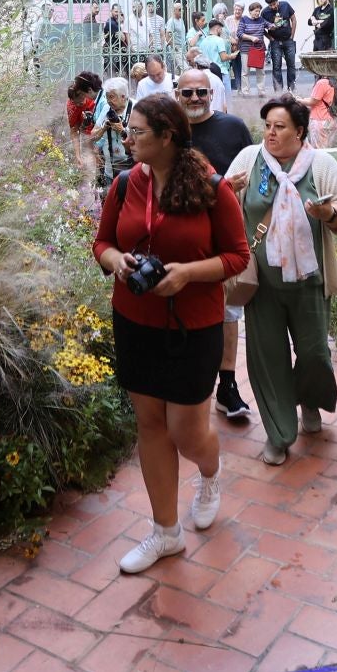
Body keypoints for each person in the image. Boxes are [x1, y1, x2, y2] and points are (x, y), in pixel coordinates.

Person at [92, 95, 251, 574]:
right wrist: (117, 261)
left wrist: (186, 274)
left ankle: (209, 470)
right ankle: (165, 532)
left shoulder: (210, 187)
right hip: (135, 321)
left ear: (167, 136)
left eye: (137, 131)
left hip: (193, 327)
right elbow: (102, 242)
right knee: (150, 425)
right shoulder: (123, 184)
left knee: (185, 431)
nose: (127, 137)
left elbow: (238, 256)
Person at [223, 96, 337, 465]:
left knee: (314, 354)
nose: (270, 132)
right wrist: (227, 194)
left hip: (309, 283)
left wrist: (328, 212)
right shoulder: (250, 160)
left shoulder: (321, 165)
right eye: (267, 125)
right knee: (268, 359)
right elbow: (219, 201)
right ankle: (279, 433)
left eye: (278, 127)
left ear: (299, 131)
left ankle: (309, 400)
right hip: (261, 284)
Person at [176, 67, 256, 421]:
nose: (195, 99)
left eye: (201, 93)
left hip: (223, 233)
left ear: (212, 94)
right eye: (188, 93)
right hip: (180, 234)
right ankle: (188, 384)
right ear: (177, 95)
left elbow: (256, 167)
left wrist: (236, 191)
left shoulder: (233, 127)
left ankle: (227, 385)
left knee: (228, 312)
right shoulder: (170, 133)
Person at [88, 78, 135, 185]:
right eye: (107, 97)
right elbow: (93, 136)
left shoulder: (136, 108)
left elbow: (143, 139)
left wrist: (122, 130)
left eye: (112, 97)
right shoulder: (106, 108)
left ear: (123, 97)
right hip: (110, 169)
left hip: (131, 168)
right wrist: (104, 127)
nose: (109, 101)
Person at [263, 0, 298, 92]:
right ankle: (278, 90)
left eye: (274, 4)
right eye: (270, 5)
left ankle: (291, 88)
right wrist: (270, 38)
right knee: (276, 66)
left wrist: (292, 36)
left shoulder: (285, 5)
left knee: (291, 65)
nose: (273, 7)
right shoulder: (265, 12)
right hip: (275, 42)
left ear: (277, 1)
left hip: (288, 40)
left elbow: (294, 19)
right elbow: (261, 27)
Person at [239, 2, 269, 96]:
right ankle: (246, 92)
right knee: (245, 72)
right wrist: (251, 38)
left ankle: (261, 92)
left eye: (259, 11)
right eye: (256, 11)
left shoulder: (261, 20)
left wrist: (276, 24)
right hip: (246, 50)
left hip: (259, 49)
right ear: (250, 11)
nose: (257, 13)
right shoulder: (244, 19)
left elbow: (270, 26)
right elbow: (239, 33)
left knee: (261, 71)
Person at [307, 75, 337, 150]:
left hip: (319, 120)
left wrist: (298, 100)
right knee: (328, 149)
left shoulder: (321, 83)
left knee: (319, 152)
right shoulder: (334, 82)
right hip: (331, 120)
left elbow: (313, 101)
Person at [103, 5, 131, 77]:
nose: (117, 14)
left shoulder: (114, 22)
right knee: (112, 74)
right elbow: (123, 38)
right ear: (111, 11)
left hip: (115, 51)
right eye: (115, 11)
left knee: (115, 73)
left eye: (119, 12)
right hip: (112, 52)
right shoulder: (111, 23)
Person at [225, 3, 246, 91]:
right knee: (231, 68)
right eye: (236, 9)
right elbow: (225, 32)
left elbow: (246, 32)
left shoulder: (245, 19)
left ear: (242, 11)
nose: (237, 11)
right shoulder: (228, 19)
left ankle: (241, 88)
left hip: (242, 47)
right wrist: (232, 41)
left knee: (241, 69)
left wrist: (237, 43)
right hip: (230, 47)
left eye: (239, 10)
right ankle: (232, 88)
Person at [165, 3, 188, 71]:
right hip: (176, 49)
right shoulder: (171, 21)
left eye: (182, 9)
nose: (182, 11)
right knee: (185, 68)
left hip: (183, 48)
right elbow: (168, 36)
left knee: (181, 70)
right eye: (180, 10)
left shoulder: (181, 20)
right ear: (174, 11)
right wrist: (174, 47)